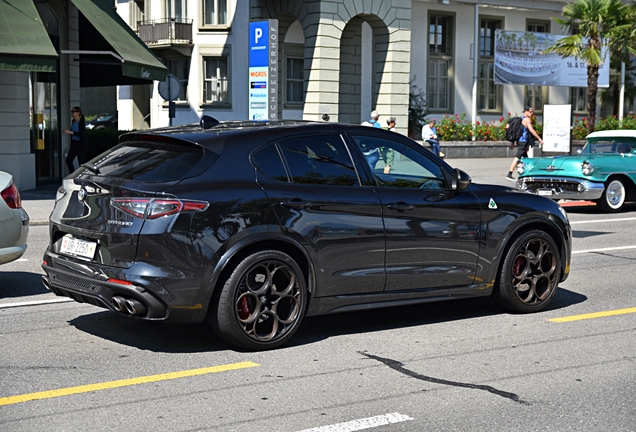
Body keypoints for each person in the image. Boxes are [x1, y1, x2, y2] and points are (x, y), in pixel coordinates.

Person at [506, 106, 543, 181]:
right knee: (517, 157)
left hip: (520, 141)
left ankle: (526, 174)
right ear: (526, 111)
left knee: (526, 159)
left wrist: (513, 142)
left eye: (532, 111)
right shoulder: (527, 120)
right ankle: (509, 174)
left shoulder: (521, 119)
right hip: (523, 142)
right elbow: (531, 130)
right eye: (530, 111)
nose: (532, 113)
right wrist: (539, 139)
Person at [63, 106, 88, 173]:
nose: (72, 113)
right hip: (74, 144)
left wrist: (70, 132)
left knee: (82, 163)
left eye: (74, 112)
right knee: (68, 160)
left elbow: (81, 134)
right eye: (72, 111)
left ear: (78, 113)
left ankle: (82, 176)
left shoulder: (81, 122)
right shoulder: (73, 121)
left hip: (81, 145)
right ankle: (73, 174)